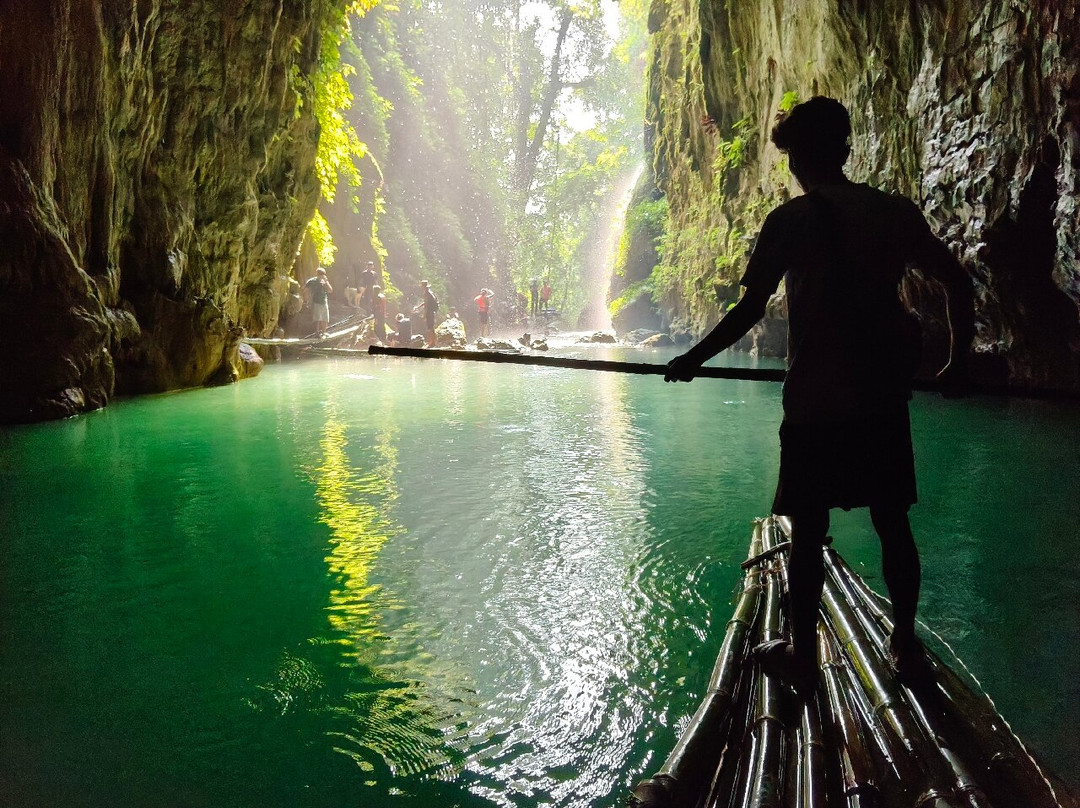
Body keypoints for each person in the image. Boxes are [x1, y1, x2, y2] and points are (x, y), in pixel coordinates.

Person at [664, 97, 975, 693]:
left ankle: (803, 657)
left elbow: (750, 310)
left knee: (807, 533)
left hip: (817, 399)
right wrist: (956, 364)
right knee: (892, 522)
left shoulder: (792, 221)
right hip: (881, 396)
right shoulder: (894, 214)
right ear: (847, 149)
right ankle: (904, 645)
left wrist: (691, 360)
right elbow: (957, 282)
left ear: (801, 159)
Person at [303, 267, 333, 338]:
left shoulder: (325, 281)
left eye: (323, 274)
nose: (322, 275)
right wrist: (306, 298)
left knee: (325, 318)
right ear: (317, 274)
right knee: (317, 318)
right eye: (320, 274)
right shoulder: (312, 281)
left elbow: (330, 290)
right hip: (316, 301)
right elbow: (305, 289)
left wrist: (326, 282)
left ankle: (324, 332)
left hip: (324, 301)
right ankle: (317, 333)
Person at [415, 280, 438, 345]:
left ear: (423, 286)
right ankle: (433, 341)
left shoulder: (427, 293)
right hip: (432, 311)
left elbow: (426, 305)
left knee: (430, 327)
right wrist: (418, 307)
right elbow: (425, 303)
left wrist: (424, 315)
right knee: (431, 327)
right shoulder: (430, 293)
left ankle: (432, 342)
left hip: (429, 312)